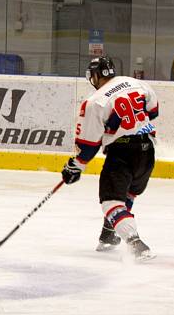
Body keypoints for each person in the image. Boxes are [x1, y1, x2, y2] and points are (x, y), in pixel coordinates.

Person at [62, 56, 158, 262]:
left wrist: (75, 167)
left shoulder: (94, 101)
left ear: (95, 76)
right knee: (128, 195)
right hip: (148, 150)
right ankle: (108, 234)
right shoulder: (136, 83)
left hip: (122, 153)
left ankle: (136, 243)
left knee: (110, 201)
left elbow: (88, 146)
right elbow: (153, 111)